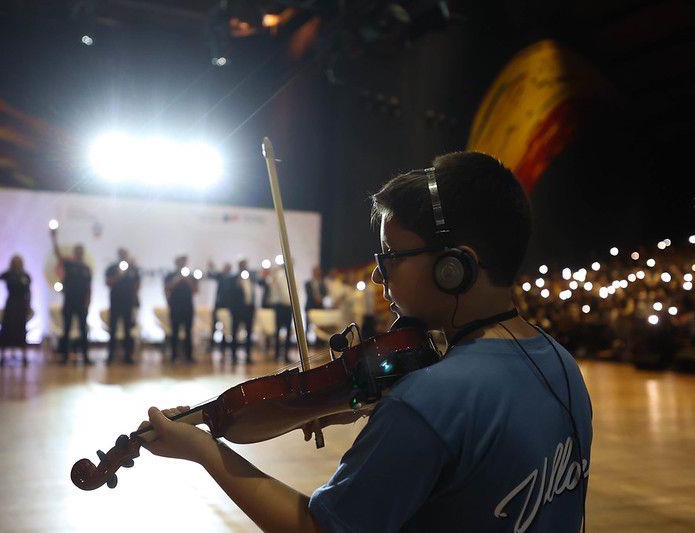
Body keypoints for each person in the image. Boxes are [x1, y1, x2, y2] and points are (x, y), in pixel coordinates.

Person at [135, 151, 592, 532]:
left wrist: (205, 451)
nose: (378, 273)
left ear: (455, 267)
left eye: (390, 257)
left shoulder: (427, 401)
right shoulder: (560, 364)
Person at [50, 227, 92, 365]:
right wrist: (53, 238)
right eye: (78, 251)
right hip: (69, 301)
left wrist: (87, 304)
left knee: (83, 330)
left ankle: (85, 357)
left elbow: (89, 288)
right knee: (66, 329)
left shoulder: (86, 269)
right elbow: (57, 254)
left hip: (81, 303)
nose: (79, 253)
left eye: (81, 251)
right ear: (75, 253)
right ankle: (64, 357)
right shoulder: (69, 264)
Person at [0, 255, 31, 366]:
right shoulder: (8, 274)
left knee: (21, 329)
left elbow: (28, 292)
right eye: (15, 261)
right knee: (7, 328)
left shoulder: (26, 276)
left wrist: (28, 304)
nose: (16, 263)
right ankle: (2, 356)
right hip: (11, 304)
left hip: (21, 305)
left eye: (18, 261)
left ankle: (24, 356)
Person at [105, 248, 140, 365]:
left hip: (128, 303)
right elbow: (108, 283)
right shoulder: (112, 268)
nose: (123, 255)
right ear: (118, 255)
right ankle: (110, 356)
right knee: (113, 330)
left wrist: (136, 300)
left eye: (125, 253)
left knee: (127, 330)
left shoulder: (133, 268)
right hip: (115, 302)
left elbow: (137, 285)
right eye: (121, 254)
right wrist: (119, 274)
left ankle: (128, 356)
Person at [164, 255, 197, 363]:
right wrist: (177, 280)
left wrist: (187, 280)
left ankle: (188, 356)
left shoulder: (191, 275)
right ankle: (174, 356)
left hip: (188, 307)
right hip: (175, 307)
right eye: (180, 261)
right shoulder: (170, 275)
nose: (182, 263)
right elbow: (167, 288)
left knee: (188, 332)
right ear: (176, 262)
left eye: (184, 261)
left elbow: (195, 290)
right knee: (175, 332)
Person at [225, 257, 257, 365]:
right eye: (242, 264)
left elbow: (253, 293)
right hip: (237, 310)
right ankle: (234, 356)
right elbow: (229, 295)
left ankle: (248, 356)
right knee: (235, 333)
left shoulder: (251, 277)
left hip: (249, 309)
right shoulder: (233, 278)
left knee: (249, 333)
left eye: (245, 264)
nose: (244, 266)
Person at [265, 264, 293, 362]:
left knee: (287, 332)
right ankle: (278, 355)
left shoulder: (289, 274)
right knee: (278, 331)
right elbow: (284, 292)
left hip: (287, 306)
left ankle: (285, 355)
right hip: (282, 306)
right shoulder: (280, 275)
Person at [206, 262, 233, 350]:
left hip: (228, 305)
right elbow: (211, 274)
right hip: (218, 304)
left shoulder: (231, 278)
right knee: (215, 324)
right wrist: (211, 267)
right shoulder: (220, 276)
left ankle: (224, 343)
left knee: (226, 324)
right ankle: (212, 344)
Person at [304, 266, 327, 340]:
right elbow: (308, 293)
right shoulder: (307, 283)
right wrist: (315, 298)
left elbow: (325, 293)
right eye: (315, 271)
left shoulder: (322, 283)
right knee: (308, 324)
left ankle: (319, 342)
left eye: (318, 271)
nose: (317, 273)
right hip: (310, 306)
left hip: (319, 306)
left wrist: (320, 298)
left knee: (319, 325)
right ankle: (306, 341)